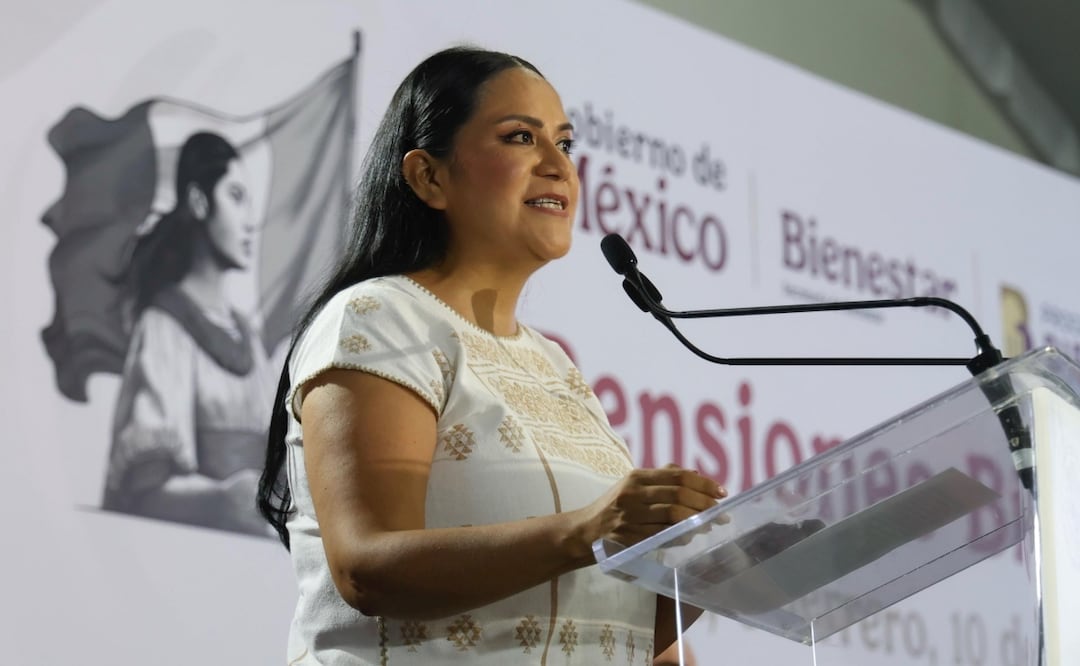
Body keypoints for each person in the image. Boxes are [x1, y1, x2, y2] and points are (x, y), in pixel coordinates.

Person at [257, 46, 725, 664]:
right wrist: (586, 531)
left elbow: (616, 630)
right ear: (429, 176)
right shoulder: (379, 317)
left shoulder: (554, 366)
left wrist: (710, 570)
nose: (558, 165)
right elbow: (366, 568)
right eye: (520, 137)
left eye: (565, 143)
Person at [105, 131, 275, 536]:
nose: (250, 220)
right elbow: (144, 491)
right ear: (199, 201)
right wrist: (220, 502)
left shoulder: (247, 336)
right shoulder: (165, 326)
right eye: (235, 196)